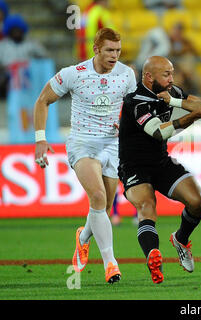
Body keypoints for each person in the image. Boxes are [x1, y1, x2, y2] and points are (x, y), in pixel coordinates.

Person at [33, 28, 137, 284]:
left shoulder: (127, 74)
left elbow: (134, 108)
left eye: (118, 51)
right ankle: (110, 264)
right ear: (96, 49)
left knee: (101, 205)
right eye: (110, 50)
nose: (115, 56)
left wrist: (127, 126)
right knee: (99, 197)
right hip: (82, 143)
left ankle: (82, 237)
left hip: (113, 145)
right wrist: (40, 139)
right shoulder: (73, 74)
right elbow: (42, 101)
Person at [118, 56, 201, 284]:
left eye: (172, 73)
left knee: (198, 202)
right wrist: (195, 116)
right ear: (148, 77)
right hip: (134, 166)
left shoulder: (172, 91)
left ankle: (181, 239)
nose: (171, 79)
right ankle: (153, 257)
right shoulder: (135, 102)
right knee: (147, 206)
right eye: (166, 74)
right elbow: (159, 132)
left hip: (162, 163)